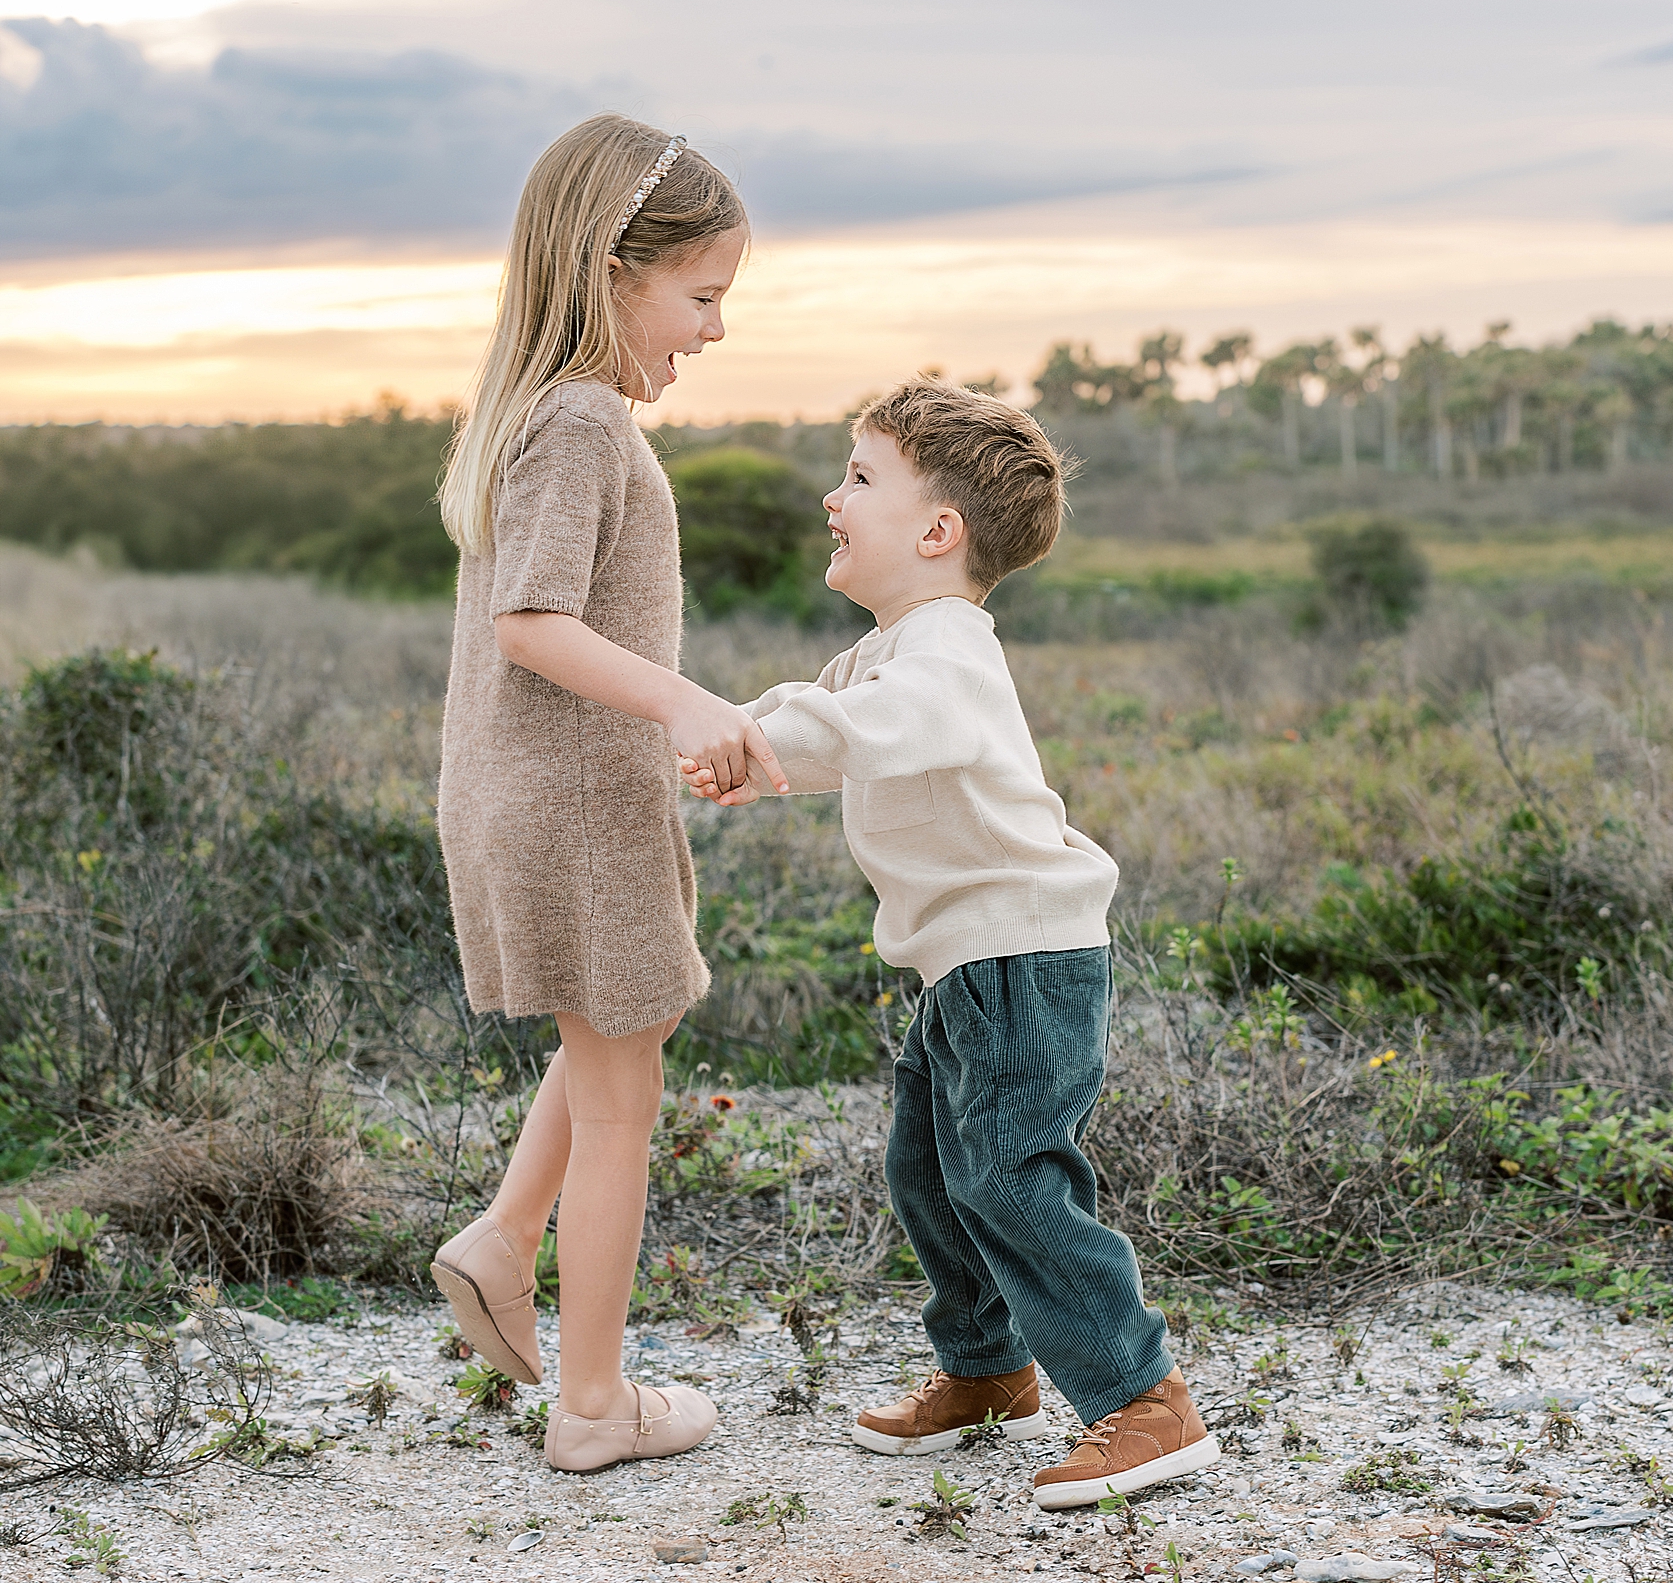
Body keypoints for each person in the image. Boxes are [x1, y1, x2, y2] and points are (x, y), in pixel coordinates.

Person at [682, 376, 1215, 1510]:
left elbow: (874, 727)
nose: (833, 497)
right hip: (965, 965)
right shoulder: (887, 651)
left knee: (1010, 1180)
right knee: (929, 1172)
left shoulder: (946, 655)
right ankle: (985, 1369)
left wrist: (751, 740)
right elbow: (824, 724)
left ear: (937, 531)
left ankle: (1146, 1397)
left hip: (1021, 957)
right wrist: (740, 745)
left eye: (859, 477)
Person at [427, 114, 787, 1474]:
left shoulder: (545, 413)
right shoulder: (579, 418)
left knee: (622, 1030)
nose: (710, 329)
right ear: (610, 270)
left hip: (546, 792)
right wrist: (689, 702)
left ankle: (503, 1237)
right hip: (570, 803)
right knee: (626, 1094)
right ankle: (593, 1407)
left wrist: (672, 725)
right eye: (701, 297)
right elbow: (534, 619)